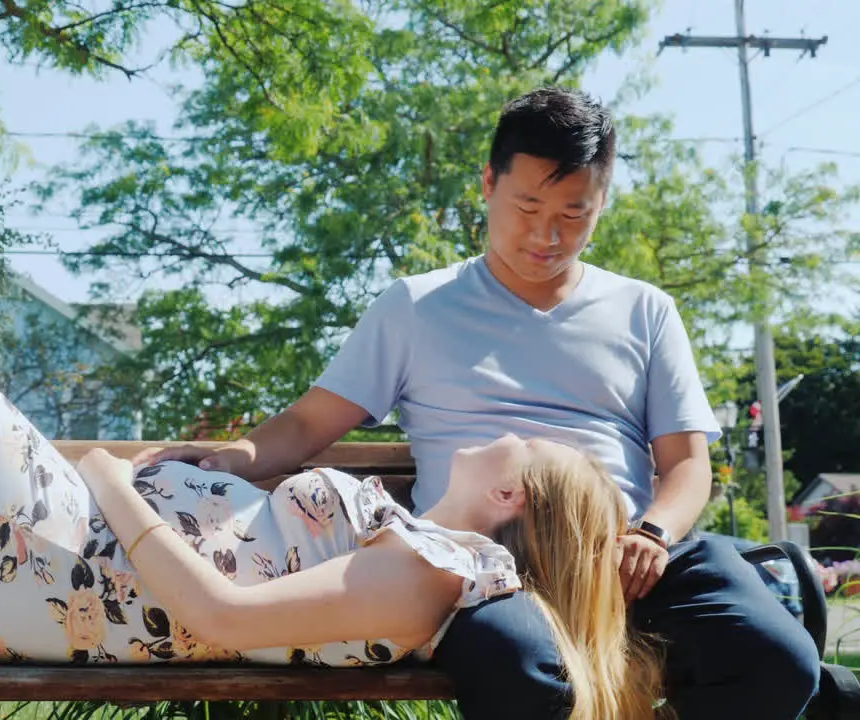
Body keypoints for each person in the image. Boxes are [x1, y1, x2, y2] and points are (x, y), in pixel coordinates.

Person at [0, 293, 662, 720]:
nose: (509, 425)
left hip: (80, 572)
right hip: (72, 562)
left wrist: (115, 481)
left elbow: (222, 618)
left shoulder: (438, 571)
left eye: (528, 439)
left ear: (514, 492)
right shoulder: (422, 547)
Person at [131, 87, 821, 719]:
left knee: (781, 661)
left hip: (626, 560)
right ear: (488, 185)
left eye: (573, 214)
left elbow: (687, 466)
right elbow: (312, 422)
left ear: (601, 203)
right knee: (516, 661)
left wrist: (654, 534)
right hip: (492, 568)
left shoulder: (645, 310)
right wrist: (236, 456)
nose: (547, 237)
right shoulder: (416, 308)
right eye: (527, 208)